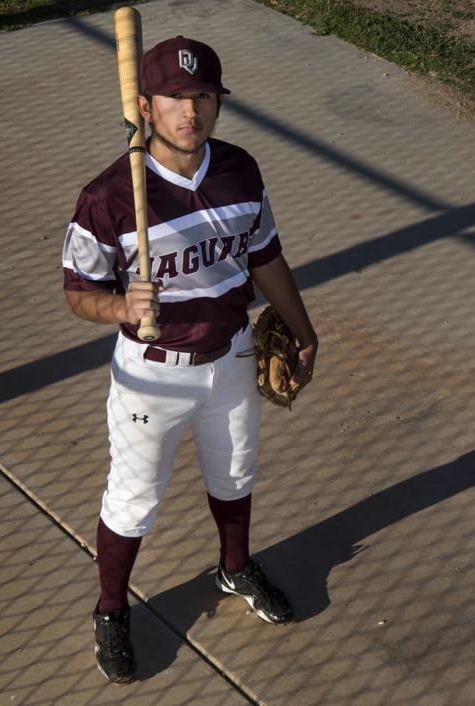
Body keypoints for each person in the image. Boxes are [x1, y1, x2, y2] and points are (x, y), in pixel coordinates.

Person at [61, 35, 317, 684]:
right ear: (144, 106)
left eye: (203, 96)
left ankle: (235, 567)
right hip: (151, 375)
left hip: (230, 356)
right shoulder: (109, 198)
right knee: (134, 500)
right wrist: (118, 307)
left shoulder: (240, 171)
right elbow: (77, 292)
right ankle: (112, 610)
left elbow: (266, 257)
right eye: (175, 98)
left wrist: (301, 325)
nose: (190, 111)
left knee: (235, 475)